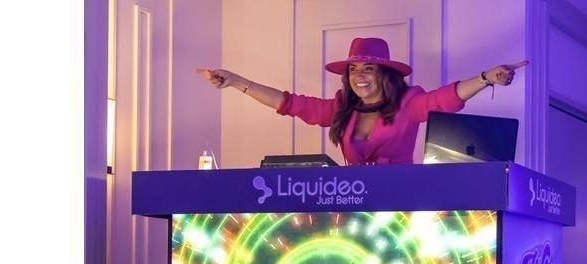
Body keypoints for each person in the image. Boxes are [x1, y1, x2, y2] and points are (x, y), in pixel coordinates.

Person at [196, 37, 526, 165]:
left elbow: (445, 98)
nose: (359, 76)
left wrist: (484, 78)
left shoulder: (407, 103)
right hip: (352, 209)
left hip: (401, 209)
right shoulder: (342, 108)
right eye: (354, 69)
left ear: (386, 74)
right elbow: (289, 103)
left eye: (369, 68)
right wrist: (236, 81)